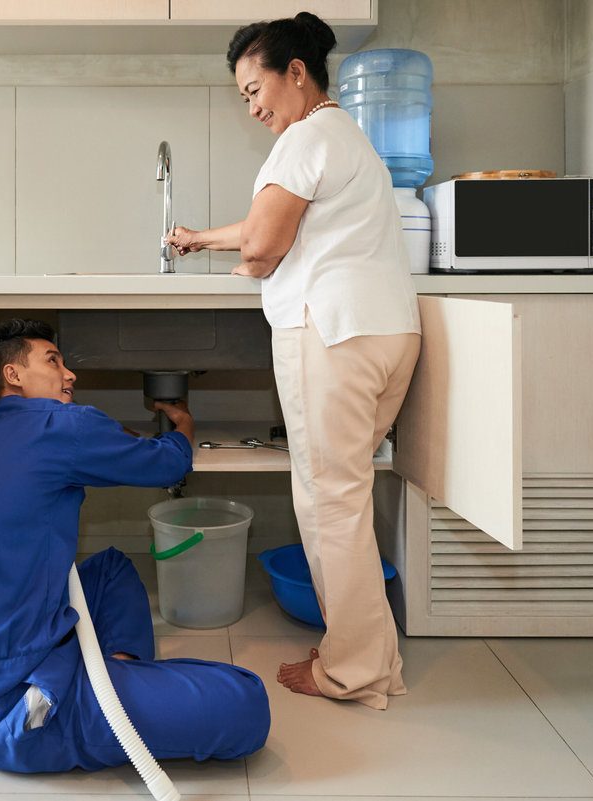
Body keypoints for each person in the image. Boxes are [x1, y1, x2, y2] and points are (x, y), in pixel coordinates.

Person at [167, 13, 422, 710]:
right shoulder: (344, 138)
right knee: (346, 495)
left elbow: (263, 246)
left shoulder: (301, 139)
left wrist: (246, 258)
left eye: (256, 89)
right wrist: (200, 238)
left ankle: (353, 669)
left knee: (330, 502)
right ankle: (368, 653)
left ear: (297, 73)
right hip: (387, 335)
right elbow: (266, 230)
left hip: (331, 337)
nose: (253, 107)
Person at [0, 318, 270, 774]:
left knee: (112, 570)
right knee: (247, 703)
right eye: (53, 361)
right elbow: (166, 463)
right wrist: (183, 425)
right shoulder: (62, 426)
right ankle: (106, 700)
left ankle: (112, 681)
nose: (70, 375)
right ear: (13, 375)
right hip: (19, 712)